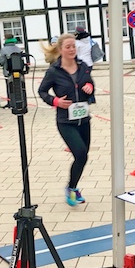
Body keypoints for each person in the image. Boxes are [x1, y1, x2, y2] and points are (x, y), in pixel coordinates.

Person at [38, 33, 95, 206]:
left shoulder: (83, 67)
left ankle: (72, 187)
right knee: (80, 153)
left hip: (83, 119)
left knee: (83, 156)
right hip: (66, 122)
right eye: (68, 47)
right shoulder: (54, 71)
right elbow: (42, 91)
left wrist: (90, 87)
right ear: (61, 49)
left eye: (73, 46)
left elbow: (90, 84)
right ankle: (71, 189)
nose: (72, 50)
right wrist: (55, 101)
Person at [0, 32, 22, 108]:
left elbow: (1, 62)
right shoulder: (18, 48)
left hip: (8, 71)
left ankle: (10, 102)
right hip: (18, 71)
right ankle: (19, 102)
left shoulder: (3, 50)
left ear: (6, 39)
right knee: (18, 87)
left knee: (9, 87)